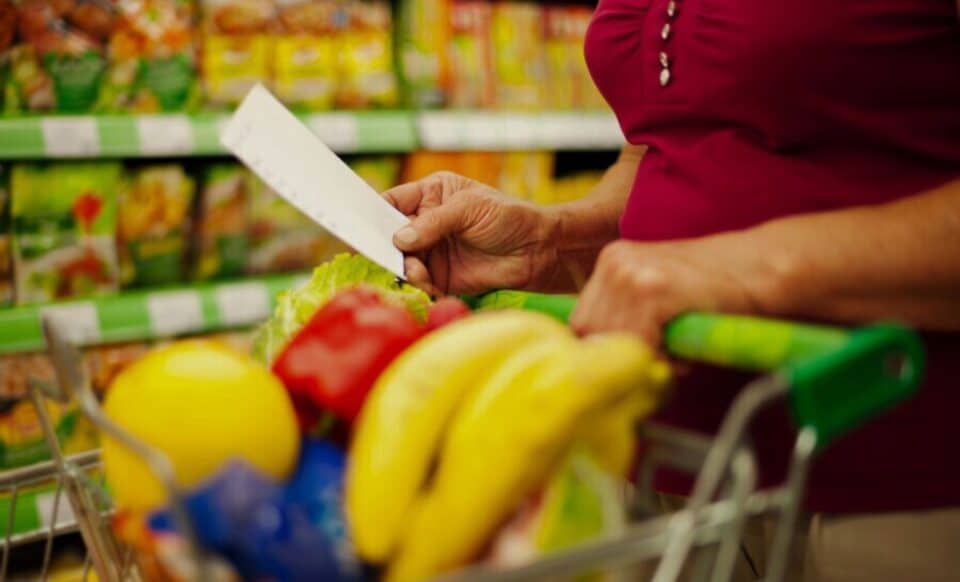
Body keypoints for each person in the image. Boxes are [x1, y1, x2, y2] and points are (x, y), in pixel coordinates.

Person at [381, 1, 960, 580]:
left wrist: (735, 270)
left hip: (888, 482)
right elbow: (665, 146)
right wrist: (556, 237)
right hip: (674, 464)